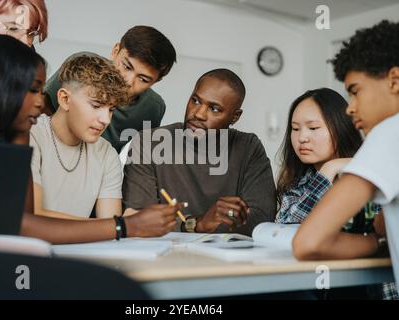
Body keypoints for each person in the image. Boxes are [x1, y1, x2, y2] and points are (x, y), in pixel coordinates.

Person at [0, 34, 185, 244]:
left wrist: (125, 225)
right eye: (33, 90)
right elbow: (26, 224)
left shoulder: (21, 137)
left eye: (112, 109)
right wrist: (125, 225)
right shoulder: (19, 139)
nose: (41, 102)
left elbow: (25, 220)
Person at [292, 20, 399, 300]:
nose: (350, 108)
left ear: (394, 80)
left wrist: (374, 243)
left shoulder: (389, 132)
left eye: (355, 91)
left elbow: (308, 242)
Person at [123, 69, 276, 236]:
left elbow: (261, 219)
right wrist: (197, 224)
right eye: (195, 101)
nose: (198, 114)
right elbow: (138, 220)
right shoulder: (150, 142)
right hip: (164, 257)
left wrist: (206, 224)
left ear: (235, 117)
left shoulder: (248, 148)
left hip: (227, 259)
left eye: (215, 109)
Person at [276, 88, 396, 299]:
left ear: (340, 127)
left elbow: (381, 234)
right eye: (295, 129)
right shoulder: (299, 182)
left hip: (373, 287)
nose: (302, 137)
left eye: (313, 128)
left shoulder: (371, 175)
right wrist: (328, 171)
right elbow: (288, 228)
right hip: (320, 283)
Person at [44, 25, 177, 152]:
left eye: (143, 79)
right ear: (115, 51)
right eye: (127, 67)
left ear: (156, 81)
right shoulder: (81, 68)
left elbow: (141, 155)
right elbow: (42, 109)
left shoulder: (153, 108)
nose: (128, 81)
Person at [30, 54, 127, 220]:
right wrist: (120, 227)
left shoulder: (106, 154)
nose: (105, 120)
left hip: (80, 246)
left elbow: (111, 230)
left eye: (111, 109)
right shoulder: (31, 135)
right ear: (65, 99)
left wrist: (116, 227)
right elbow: (33, 215)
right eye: (96, 105)